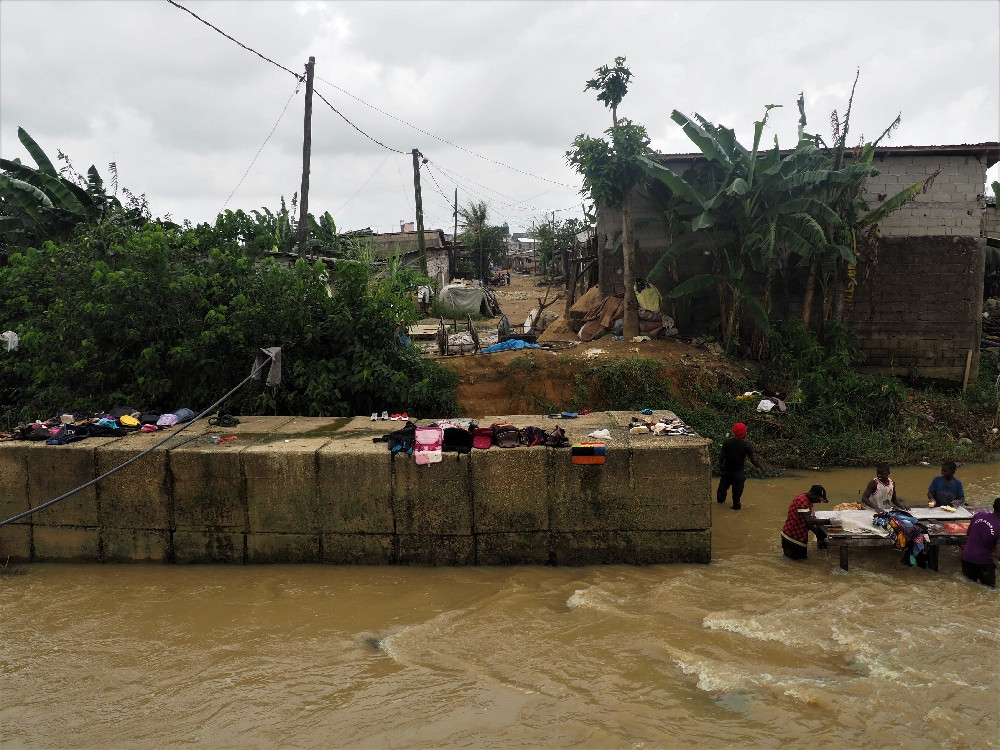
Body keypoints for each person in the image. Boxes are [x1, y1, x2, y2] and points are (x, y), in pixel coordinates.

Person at [716, 422, 764, 510]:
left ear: (733, 432)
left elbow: (721, 457)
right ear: (745, 433)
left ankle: (719, 507)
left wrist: (721, 467)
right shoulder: (746, 445)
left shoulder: (727, 442)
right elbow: (753, 460)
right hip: (739, 475)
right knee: (736, 501)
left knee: (721, 495)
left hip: (727, 473)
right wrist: (761, 468)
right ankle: (736, 511)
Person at [781, 485, 829, 560]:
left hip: (800, 537)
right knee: (795, 563)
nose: (819, 501)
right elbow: (809, 520)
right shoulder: (801, 500)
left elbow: (806, 521)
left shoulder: (808, 501)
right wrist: (829, 521)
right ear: (812, 494)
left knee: (801, 561)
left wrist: (817, 533)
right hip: (792, 537)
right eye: (819, 499)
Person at [961, 497, 999, 588]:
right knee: (991, 590)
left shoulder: (979, 515)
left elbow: (968, 533)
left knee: (967, 586)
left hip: (966, 557)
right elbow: (999, 556)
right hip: (983, 561)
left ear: (993, 507)